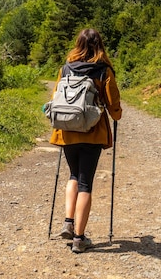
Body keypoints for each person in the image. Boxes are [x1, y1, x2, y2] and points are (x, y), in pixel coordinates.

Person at [50, 28, 122, 253]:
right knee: (85, 183)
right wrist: (117, 114)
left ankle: (68, 223)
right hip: (92, 133)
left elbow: (56, 98)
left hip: (67, 130)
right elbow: (114, 109)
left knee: (73, 175)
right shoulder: (104, 71)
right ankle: (80, 239)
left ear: (78, 44)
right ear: (99, 45)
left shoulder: (66, 68)